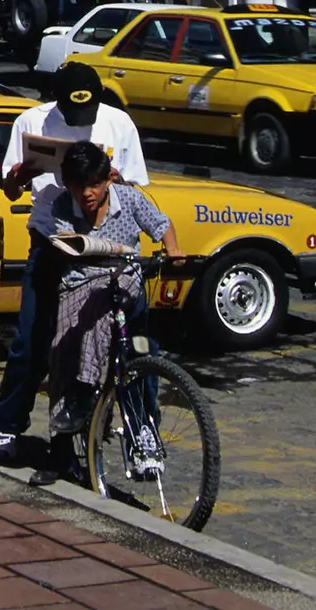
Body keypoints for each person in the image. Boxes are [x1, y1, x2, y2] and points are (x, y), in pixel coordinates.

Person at [0, 60, 148, 467]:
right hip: (53, 240)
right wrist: (18, 178)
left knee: (135, 341)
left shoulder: (118, 124)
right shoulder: (31, 121)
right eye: (73, 114)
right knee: (33, 337)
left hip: (107, 244)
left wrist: (109, 178)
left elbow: (137, 190)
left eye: (87, 112)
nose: (81, 121)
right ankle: (8, 426)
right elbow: (8, 189)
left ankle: (142, 430)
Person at [45, 142, 181, 452]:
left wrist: (173, 250)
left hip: (125, 280)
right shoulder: (63, 205)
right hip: (82, 281)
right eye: (79, 186)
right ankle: (71, 415)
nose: (87, 194)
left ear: (108, 179)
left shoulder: (130, 199)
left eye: (94, 184)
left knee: (142, 354)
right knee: (66, 341)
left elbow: (161, 224)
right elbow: (67, 239)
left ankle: (140, 429)